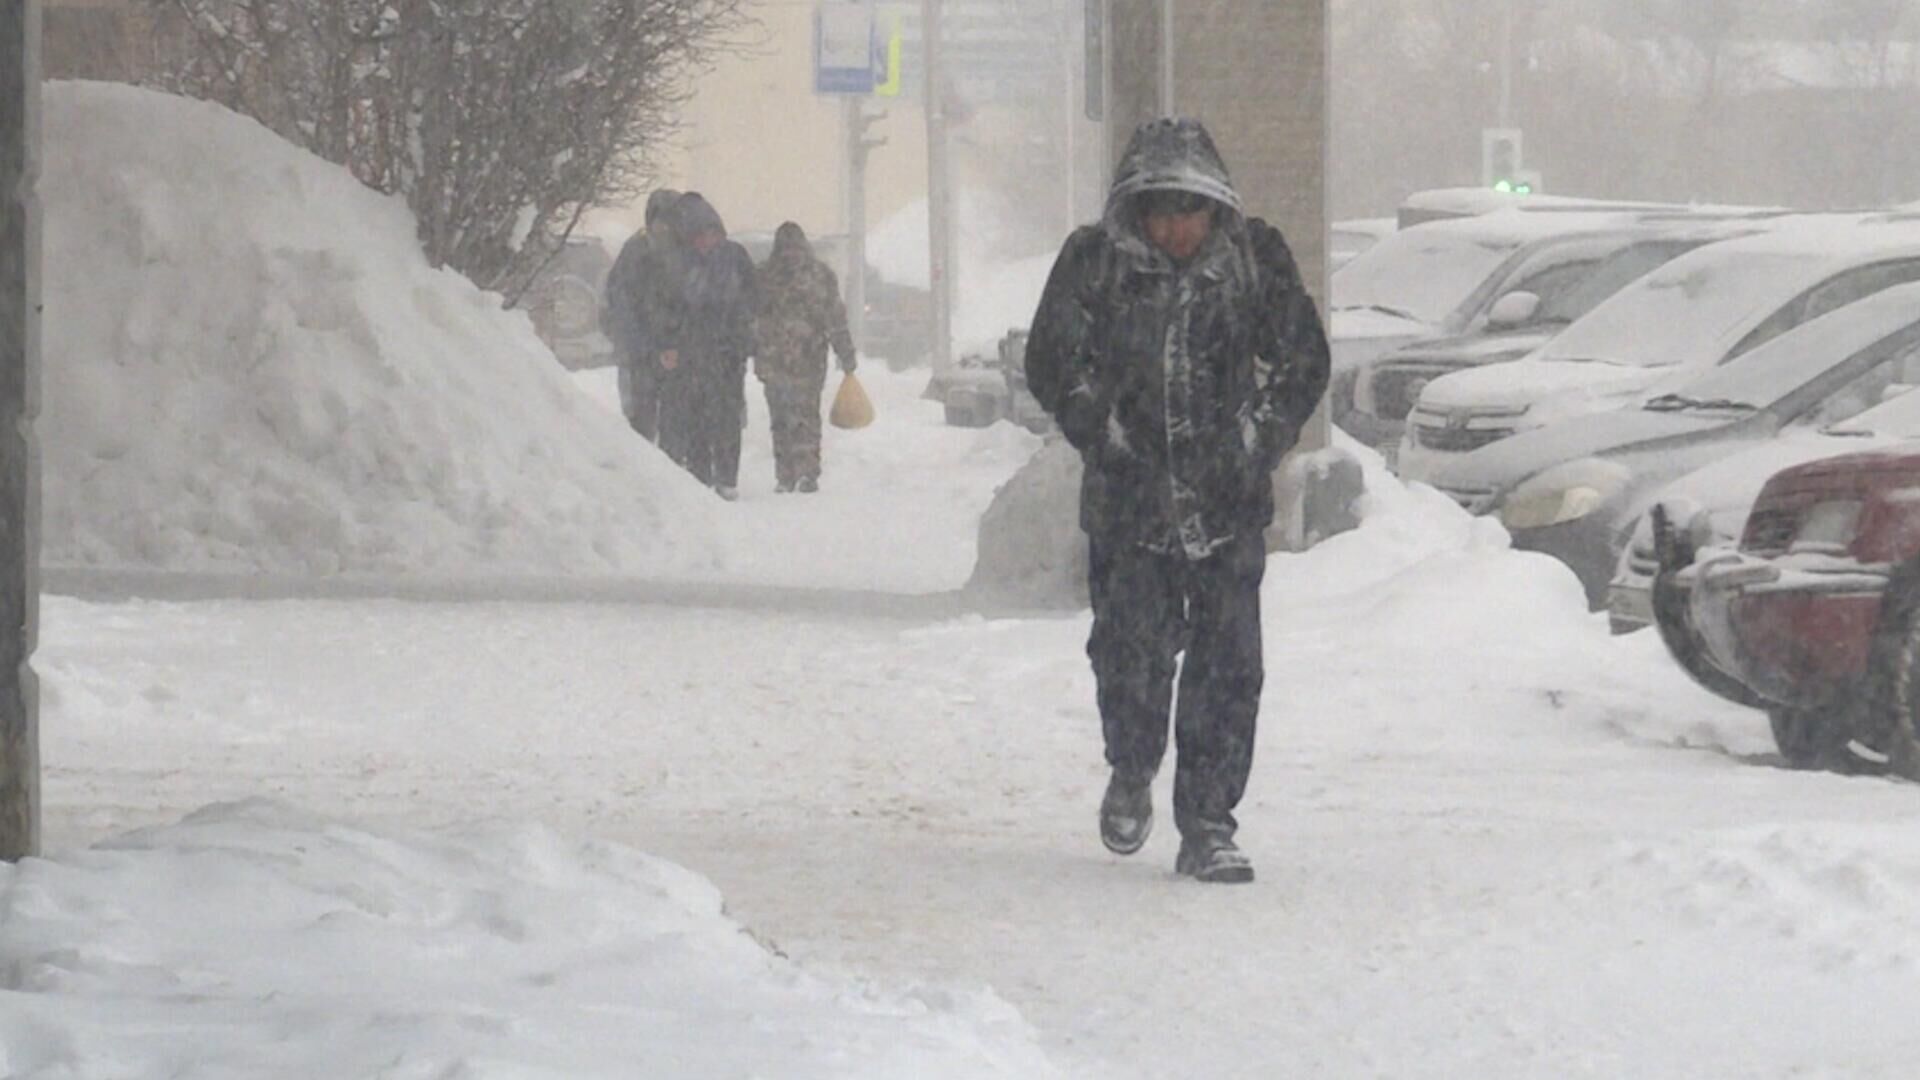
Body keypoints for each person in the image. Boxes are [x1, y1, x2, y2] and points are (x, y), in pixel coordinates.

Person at [1024, 117, 1330, 884]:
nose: (1176, 227)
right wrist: (1105, 430)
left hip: (1225, 508)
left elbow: (1301, 362)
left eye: (1189, 211)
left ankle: (1209, 822)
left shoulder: (1254, 264)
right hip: (1130, 510)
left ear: (1214, 209)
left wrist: (1257, 440)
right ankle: (1131, 768)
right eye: (1161, 211)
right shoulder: (1096, 265)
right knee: (1131, 656)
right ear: (1136, 210)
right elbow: (1053, 359)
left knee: (1228, 671)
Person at [646, 192, 756, 498]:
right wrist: (668, 343)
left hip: (727, 353)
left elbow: (753, 297)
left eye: (712, 233)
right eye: (700, 235)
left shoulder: (734, 257)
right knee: (696, 416)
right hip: (692, 352)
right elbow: (664, 307)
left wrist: (744, 332)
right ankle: (700, 475)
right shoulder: (678, 262)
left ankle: (726, 477)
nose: (707, 240)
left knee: (726, 417)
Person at [753, 222, 856, 493]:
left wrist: (845, 353)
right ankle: (787, 474)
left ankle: (806, 473)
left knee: (805, 417)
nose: (790, 255)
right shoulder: (765, 276)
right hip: (778, 360)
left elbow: (835, 317)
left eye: (794, 248)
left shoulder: (816, 275)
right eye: (786, 249)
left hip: (806, 359)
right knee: (782, 418)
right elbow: (751, 317)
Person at [603, 188, 681, 442]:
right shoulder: (636, 250)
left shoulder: (686, 252)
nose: (665, 228)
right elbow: (621, 302)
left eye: (671, 221)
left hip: (675, 352)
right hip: (640, 353)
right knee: (640, 419)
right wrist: (641, 346)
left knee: (675, 422)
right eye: (661, 221)